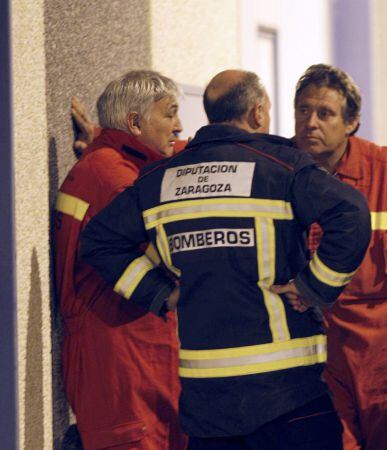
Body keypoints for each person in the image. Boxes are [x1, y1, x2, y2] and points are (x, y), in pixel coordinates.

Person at [80, 69, 371, 450]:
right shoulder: (280, 168)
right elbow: (351, 212)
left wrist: (159, 292)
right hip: (289, 395)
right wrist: (313, 286)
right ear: (258, 114)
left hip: (207, 407)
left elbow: (99, 242)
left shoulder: (160, 180)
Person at [292, 64, 387, 450]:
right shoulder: (279, 171)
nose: (310, 122)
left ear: (352, 122)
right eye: (303, 110)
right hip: (314, 343)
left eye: (324, 113)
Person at [54, 70, 187, 449]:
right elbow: (165, 258)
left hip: (117, 355)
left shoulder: (106, 164)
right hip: (123, 363)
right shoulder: (117, 179)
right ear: (135, 122)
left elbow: (188, 151)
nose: (178, 127)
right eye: (170, 114)